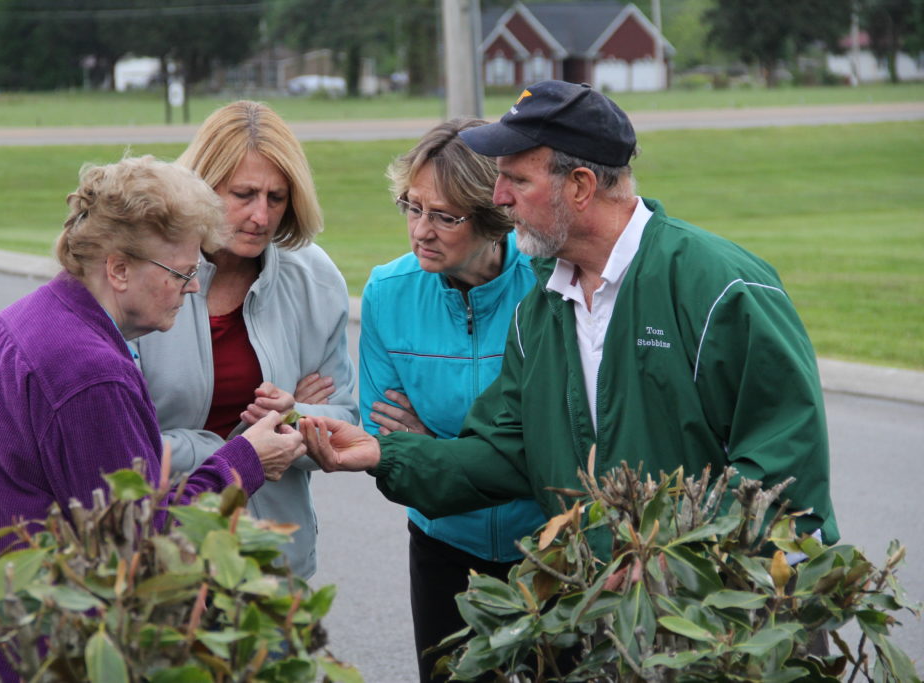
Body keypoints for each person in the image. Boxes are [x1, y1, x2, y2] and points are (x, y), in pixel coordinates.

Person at [301, 80, 839, 563]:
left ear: (580, 186)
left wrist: (668, 563)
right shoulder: (541, 307)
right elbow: (506, 453)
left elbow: (782, 471)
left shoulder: (720, 288)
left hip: (717, 622)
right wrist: (384, 454)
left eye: (516, 180)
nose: (498, 199)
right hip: (604, 609)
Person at [0, 155, 307, 680]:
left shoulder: (24, 322)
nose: (191, 288)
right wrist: (245, 460)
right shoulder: (89, 374)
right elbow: (139, 548)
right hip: (14, 654)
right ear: (117, 268)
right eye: (181, 271)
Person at [133, 101, 358, 580]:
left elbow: (343, 416)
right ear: (201, 187)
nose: (261, 216)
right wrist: (227, 448)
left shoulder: (314, 279)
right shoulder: (145, 275)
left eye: (276, 198)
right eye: (243, 194)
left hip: (272, 559)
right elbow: (117, 446)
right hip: (160, 556)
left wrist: (297, 419)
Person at [360, 118, 546, 682]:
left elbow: (559, 433)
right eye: (412, 207)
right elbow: (388, 439)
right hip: (443, 545)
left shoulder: (549, 284)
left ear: (493, 219)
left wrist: (434, 447)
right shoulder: (387, 293)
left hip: (547, 547)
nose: (421, 230)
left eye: (444, 216)